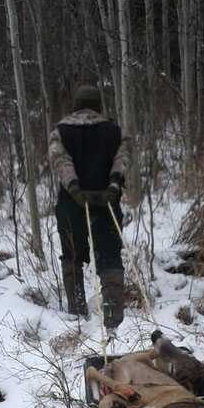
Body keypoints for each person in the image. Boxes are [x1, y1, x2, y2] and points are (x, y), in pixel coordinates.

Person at [49, 84, 131, 331]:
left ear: (76, 104)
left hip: (71, 205)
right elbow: (123, 158)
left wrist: (74, 187)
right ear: (98, 105)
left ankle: (76, 314)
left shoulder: (60, 131)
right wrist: (114, 185)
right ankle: (113, 319)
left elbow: (60, 160)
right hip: (107, 203)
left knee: (73, 257)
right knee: (110, 259)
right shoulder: (115, 131)